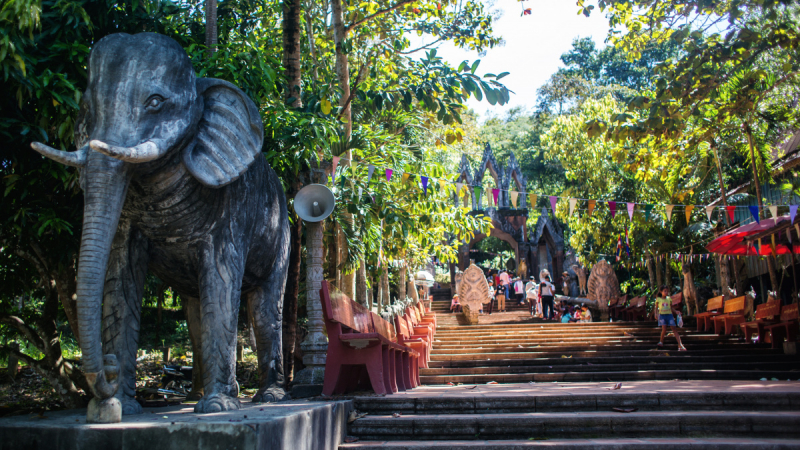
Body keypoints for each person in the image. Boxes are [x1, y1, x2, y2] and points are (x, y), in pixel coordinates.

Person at [654, 285, 686, 351]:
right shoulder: (658, 299)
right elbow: (656, 308)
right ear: (661, 291)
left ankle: (680, 344)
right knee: (664, 328)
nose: (666, 292)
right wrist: (656, 314)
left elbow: (671, 307)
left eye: (667, 291)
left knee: (674, 329)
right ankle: (661, 341)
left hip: (669, 315)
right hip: (662, 315)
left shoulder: (669, 299)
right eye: (665, 291)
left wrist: (676, 311)